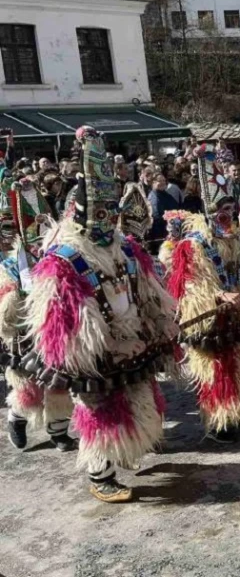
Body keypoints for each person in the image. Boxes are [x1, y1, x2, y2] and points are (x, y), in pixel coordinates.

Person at [25, 126, 176, 503]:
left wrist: (159, 327)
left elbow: (147, 292)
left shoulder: (124, 248)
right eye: (101, 212)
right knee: (98, 413)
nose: (108, 220)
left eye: (112, 213)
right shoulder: (62, 261)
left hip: (134, 343)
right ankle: (100, 474)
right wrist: (94, 349)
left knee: (143, 400)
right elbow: (59, 326)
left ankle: (130, 447)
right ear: (81, 212)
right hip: (95, 356)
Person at [165, 145, 240, 444]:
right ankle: (219, 419)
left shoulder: (238, 239)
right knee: (217, 370)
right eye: (222, 210)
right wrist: (218, 296)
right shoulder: (193, 244)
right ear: (209, 211)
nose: (227, 215)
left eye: (231, 209)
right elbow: (190, 286)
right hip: (213, 322)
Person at [3, 178, 76, 452]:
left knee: (60, 386)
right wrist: (15, 301)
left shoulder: (57, 260)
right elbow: (5, 315)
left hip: (55, 333)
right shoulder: (11, 267)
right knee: (29, 390)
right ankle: (16, 419)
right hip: (24, 337)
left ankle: (58, 430)